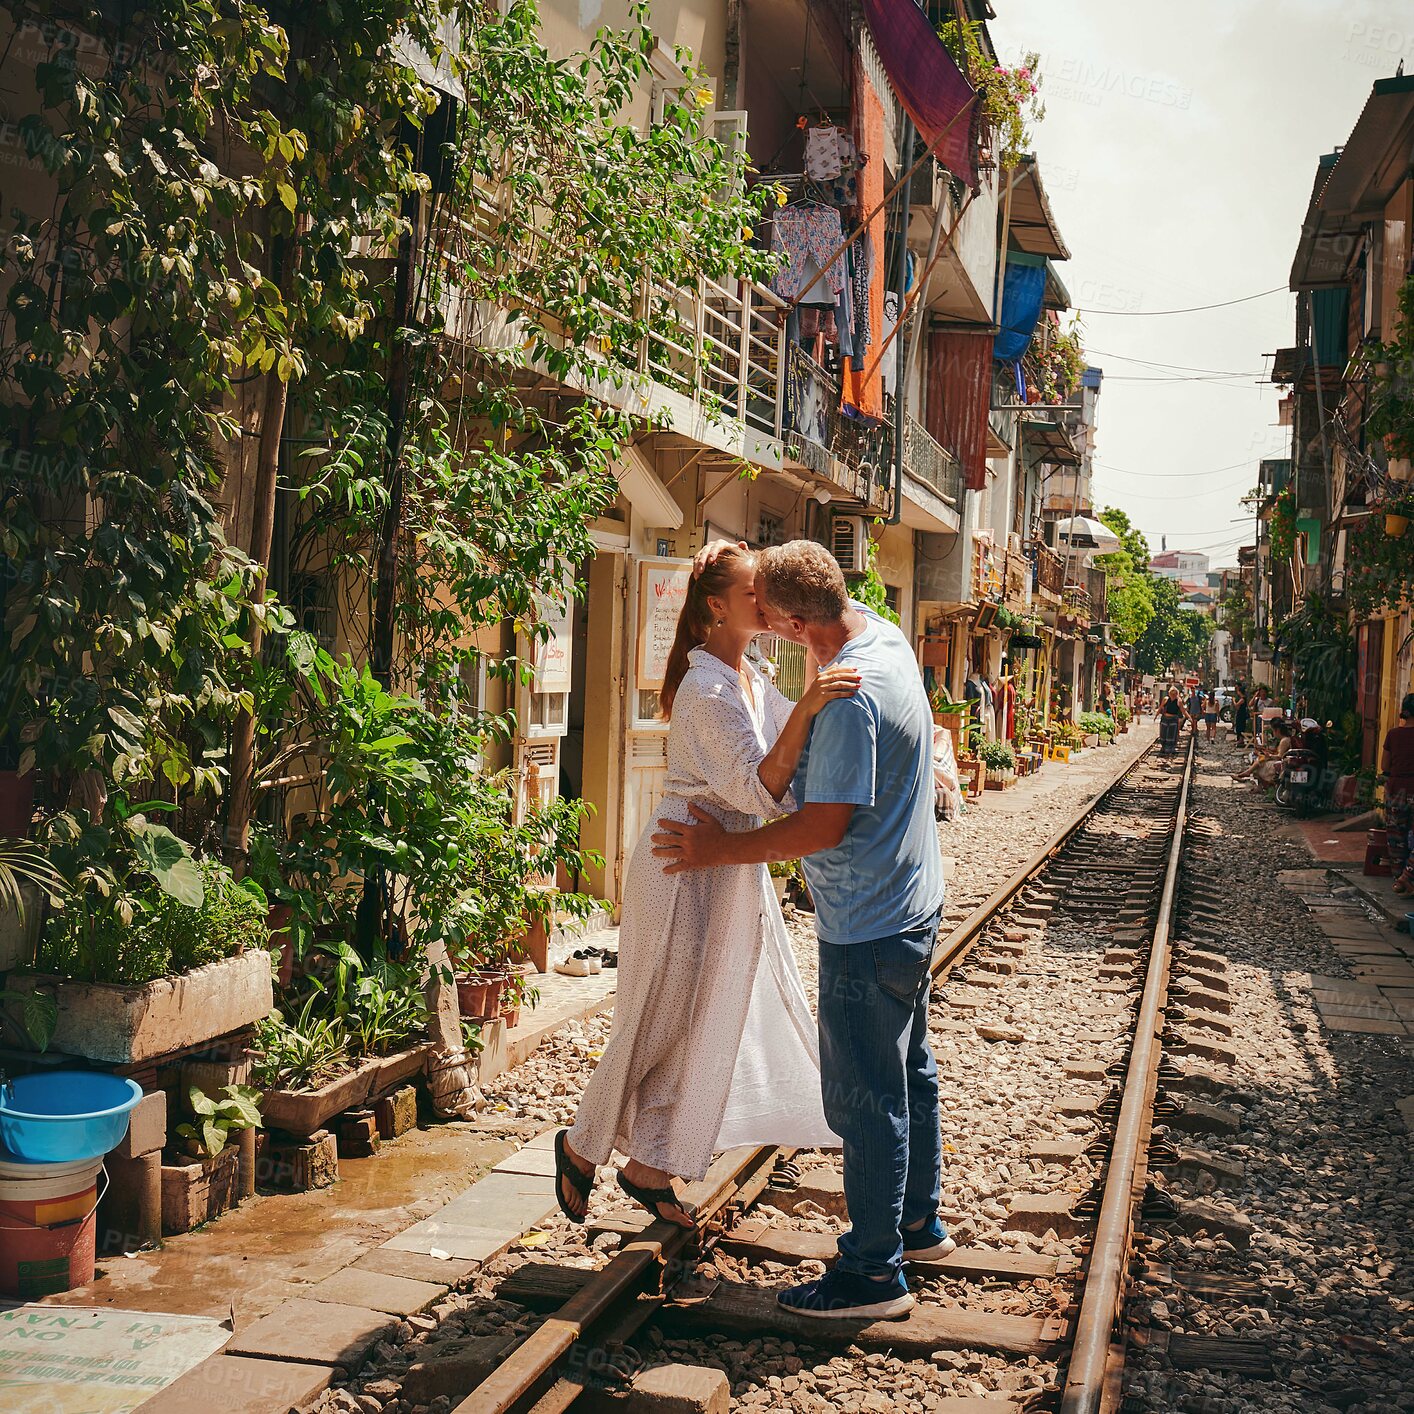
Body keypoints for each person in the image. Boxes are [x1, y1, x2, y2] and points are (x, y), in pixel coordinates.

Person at [653, 539, 948, 1321]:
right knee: (909, 1070)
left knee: (864, 1098)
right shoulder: (881, 638)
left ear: (785, 621)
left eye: (764, 606)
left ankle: (872, 1276)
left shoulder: (848, 697)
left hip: (869, 922)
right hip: (914, 900)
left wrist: (720, 848)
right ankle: (919, 1223)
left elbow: (819, 826)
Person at [554, 546, 859, 1229]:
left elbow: (796, 756)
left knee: (707, 1022)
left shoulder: (749, 675)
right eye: (757, 591)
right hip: (683, 865)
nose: (769, 602)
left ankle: (650, 1165)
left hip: (724, 866)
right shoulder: (707, 691)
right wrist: (809, 703)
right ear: (717, 605)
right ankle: (581, 1143)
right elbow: (759, 785)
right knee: (655, 1016)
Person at [1383, 694, 1414, 893]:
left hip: (1396, 790)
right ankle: (1408, 876)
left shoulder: (1393, 735)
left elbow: (1384, 765)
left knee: (1397, 838)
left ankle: (1399, 879)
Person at [1157, 686, 1185, 756]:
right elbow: (1161, 707)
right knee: (1163, 734)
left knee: (1172, 734)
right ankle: (1164, 747)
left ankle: (1170, 748)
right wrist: (1156, 715)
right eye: (1171, 693)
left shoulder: (1179, 701)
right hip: (1165, 718)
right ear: (1169, 694)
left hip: (1173, 719)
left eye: (1174, 694)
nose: (1173, 695)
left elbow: (1183, 711)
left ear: (1176, 694)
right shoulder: (1166, 699)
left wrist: (1189, 718)